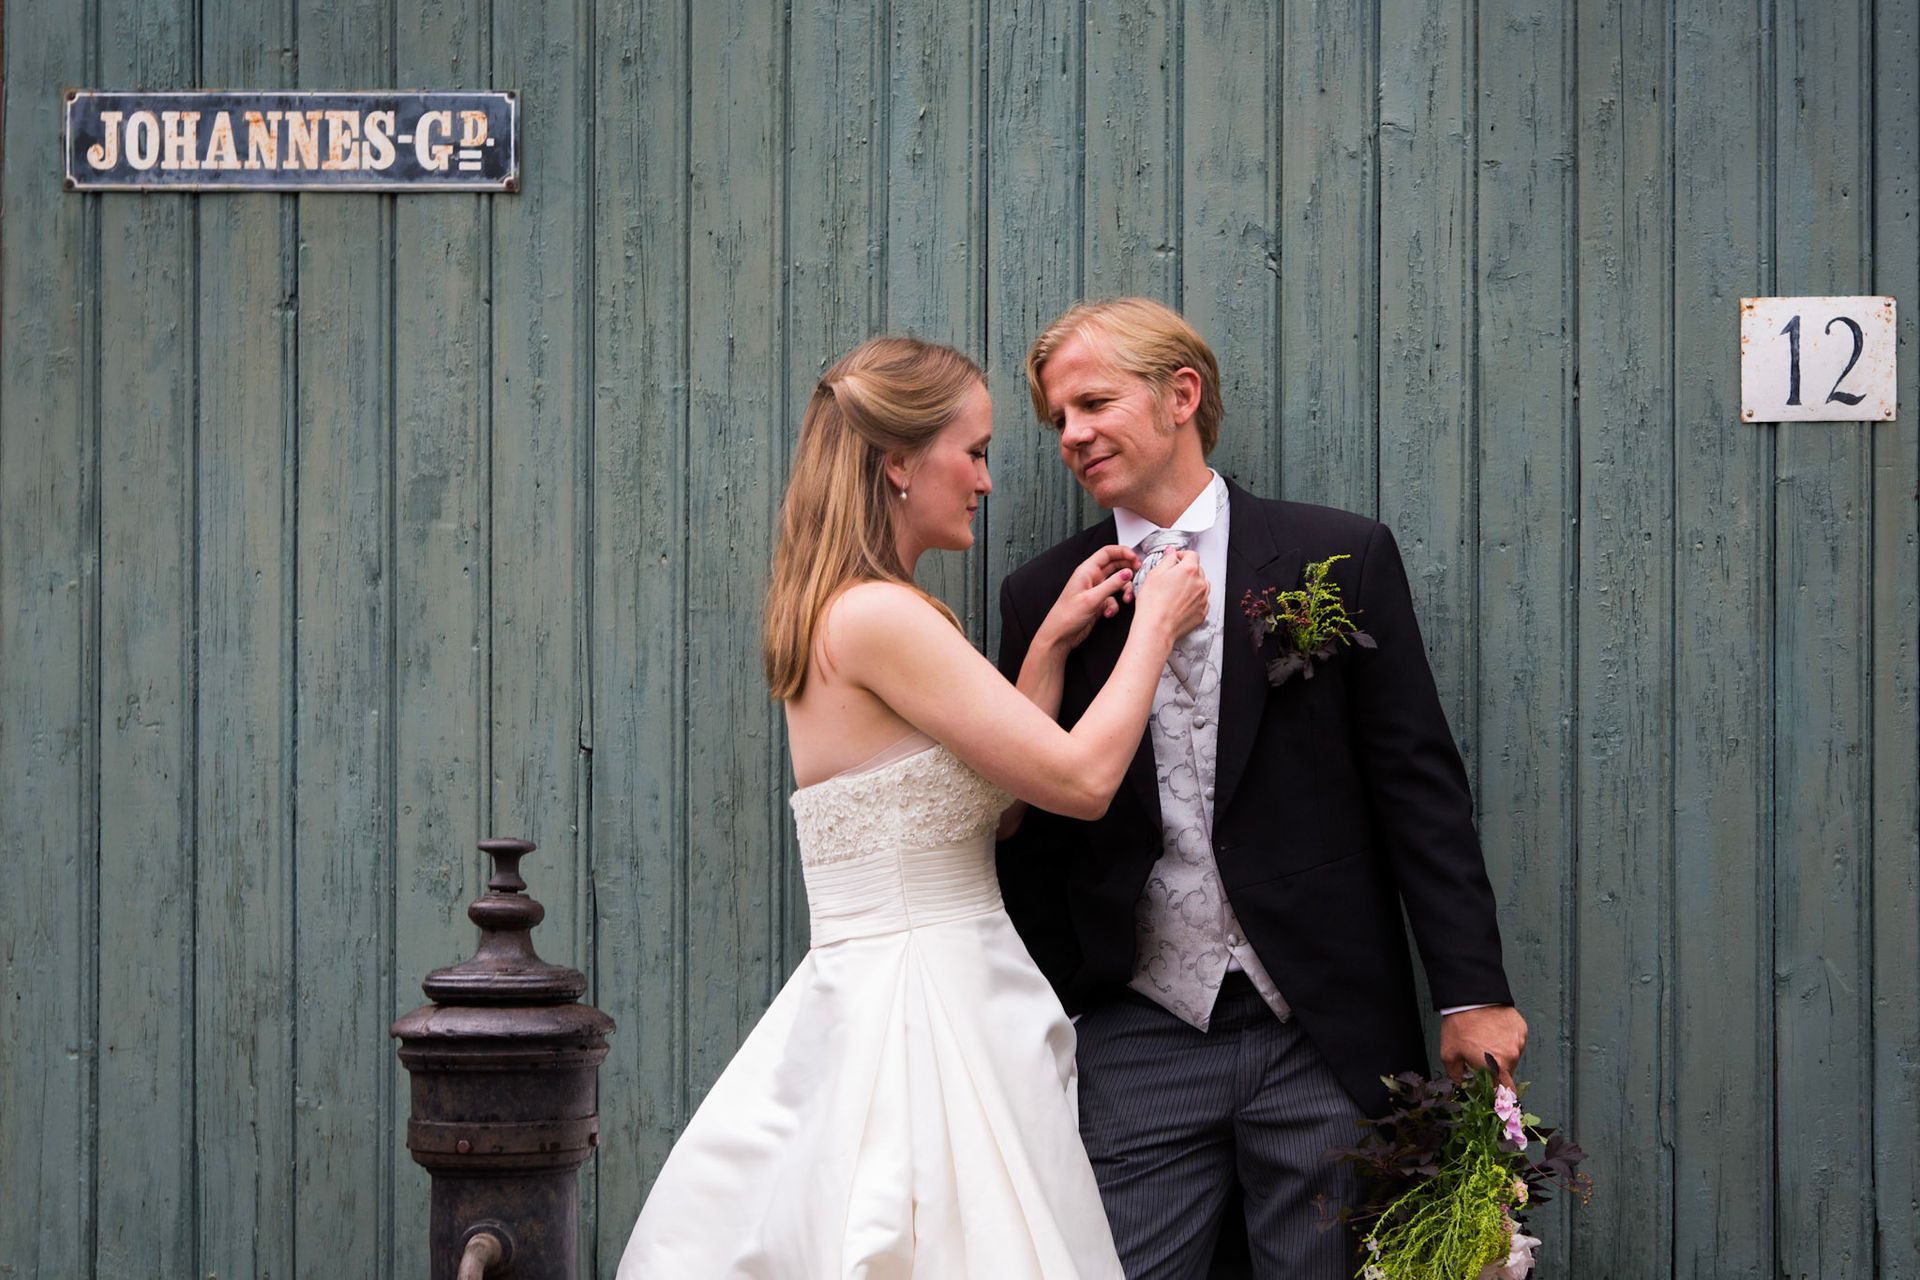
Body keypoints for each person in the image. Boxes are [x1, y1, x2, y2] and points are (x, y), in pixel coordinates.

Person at [617, 335, 1210, 1278]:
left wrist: (1049, 651)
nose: (984, 481)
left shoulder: (847, 611)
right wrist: (1156, 626)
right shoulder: (883, 617)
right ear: (898, 462)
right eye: (972, 452)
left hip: (914, 984)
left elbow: (993, 809)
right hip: (927, 1010)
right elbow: (1080, 782)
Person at [993, 298, 1528, 1279]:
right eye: (1056, 418)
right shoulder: (1045, 595)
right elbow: (1028, 839)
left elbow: (1420, 786)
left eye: (1093, 402)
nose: (1070, 435)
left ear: (1181, 395)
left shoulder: (1338, 556)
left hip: (1320, 1024)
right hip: (1137, 1031)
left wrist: (1473, 991)